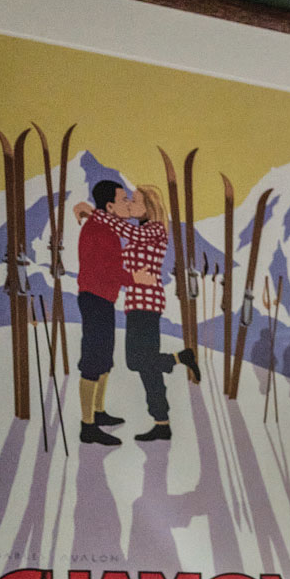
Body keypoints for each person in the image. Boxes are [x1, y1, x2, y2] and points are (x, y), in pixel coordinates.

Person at [116, 185, 179, 443]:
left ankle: (161, 420)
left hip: (147, 303)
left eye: (135, 199)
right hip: (136, 302)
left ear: (148, 207)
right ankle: (161, 422)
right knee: (142, 363)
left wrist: (98, 215)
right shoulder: (142, 232)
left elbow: (126, 230)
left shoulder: (154, 230)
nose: (130, 202)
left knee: (142, 362)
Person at [71, 180, 128, 447]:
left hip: (103, 299)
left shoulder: (105, 227)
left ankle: (98, 411)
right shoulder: (101, 229)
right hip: (95, 299)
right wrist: (137, 278)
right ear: (109, 206)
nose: (127, 204)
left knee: (104, 358)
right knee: (94, 360)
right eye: (123, 199)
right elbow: (111, 268)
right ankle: (87, 425)